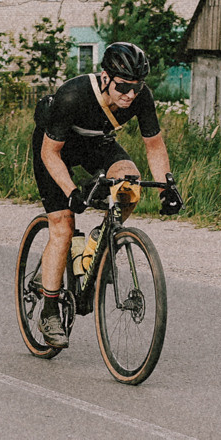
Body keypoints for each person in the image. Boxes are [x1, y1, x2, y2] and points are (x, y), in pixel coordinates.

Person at [30, 41, 183, 347]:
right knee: (63, 224)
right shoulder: (73, 95)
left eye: (136, 88)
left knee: (130, 182)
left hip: (96, 143)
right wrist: (71, 191)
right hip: (55, 149)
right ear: (105, 79)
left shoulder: (140, 98)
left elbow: (153, 145)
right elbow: (50, 153)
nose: (130, 95)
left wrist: (167, 184)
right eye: (123, 87)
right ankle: (48, 310)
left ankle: (97, 244)